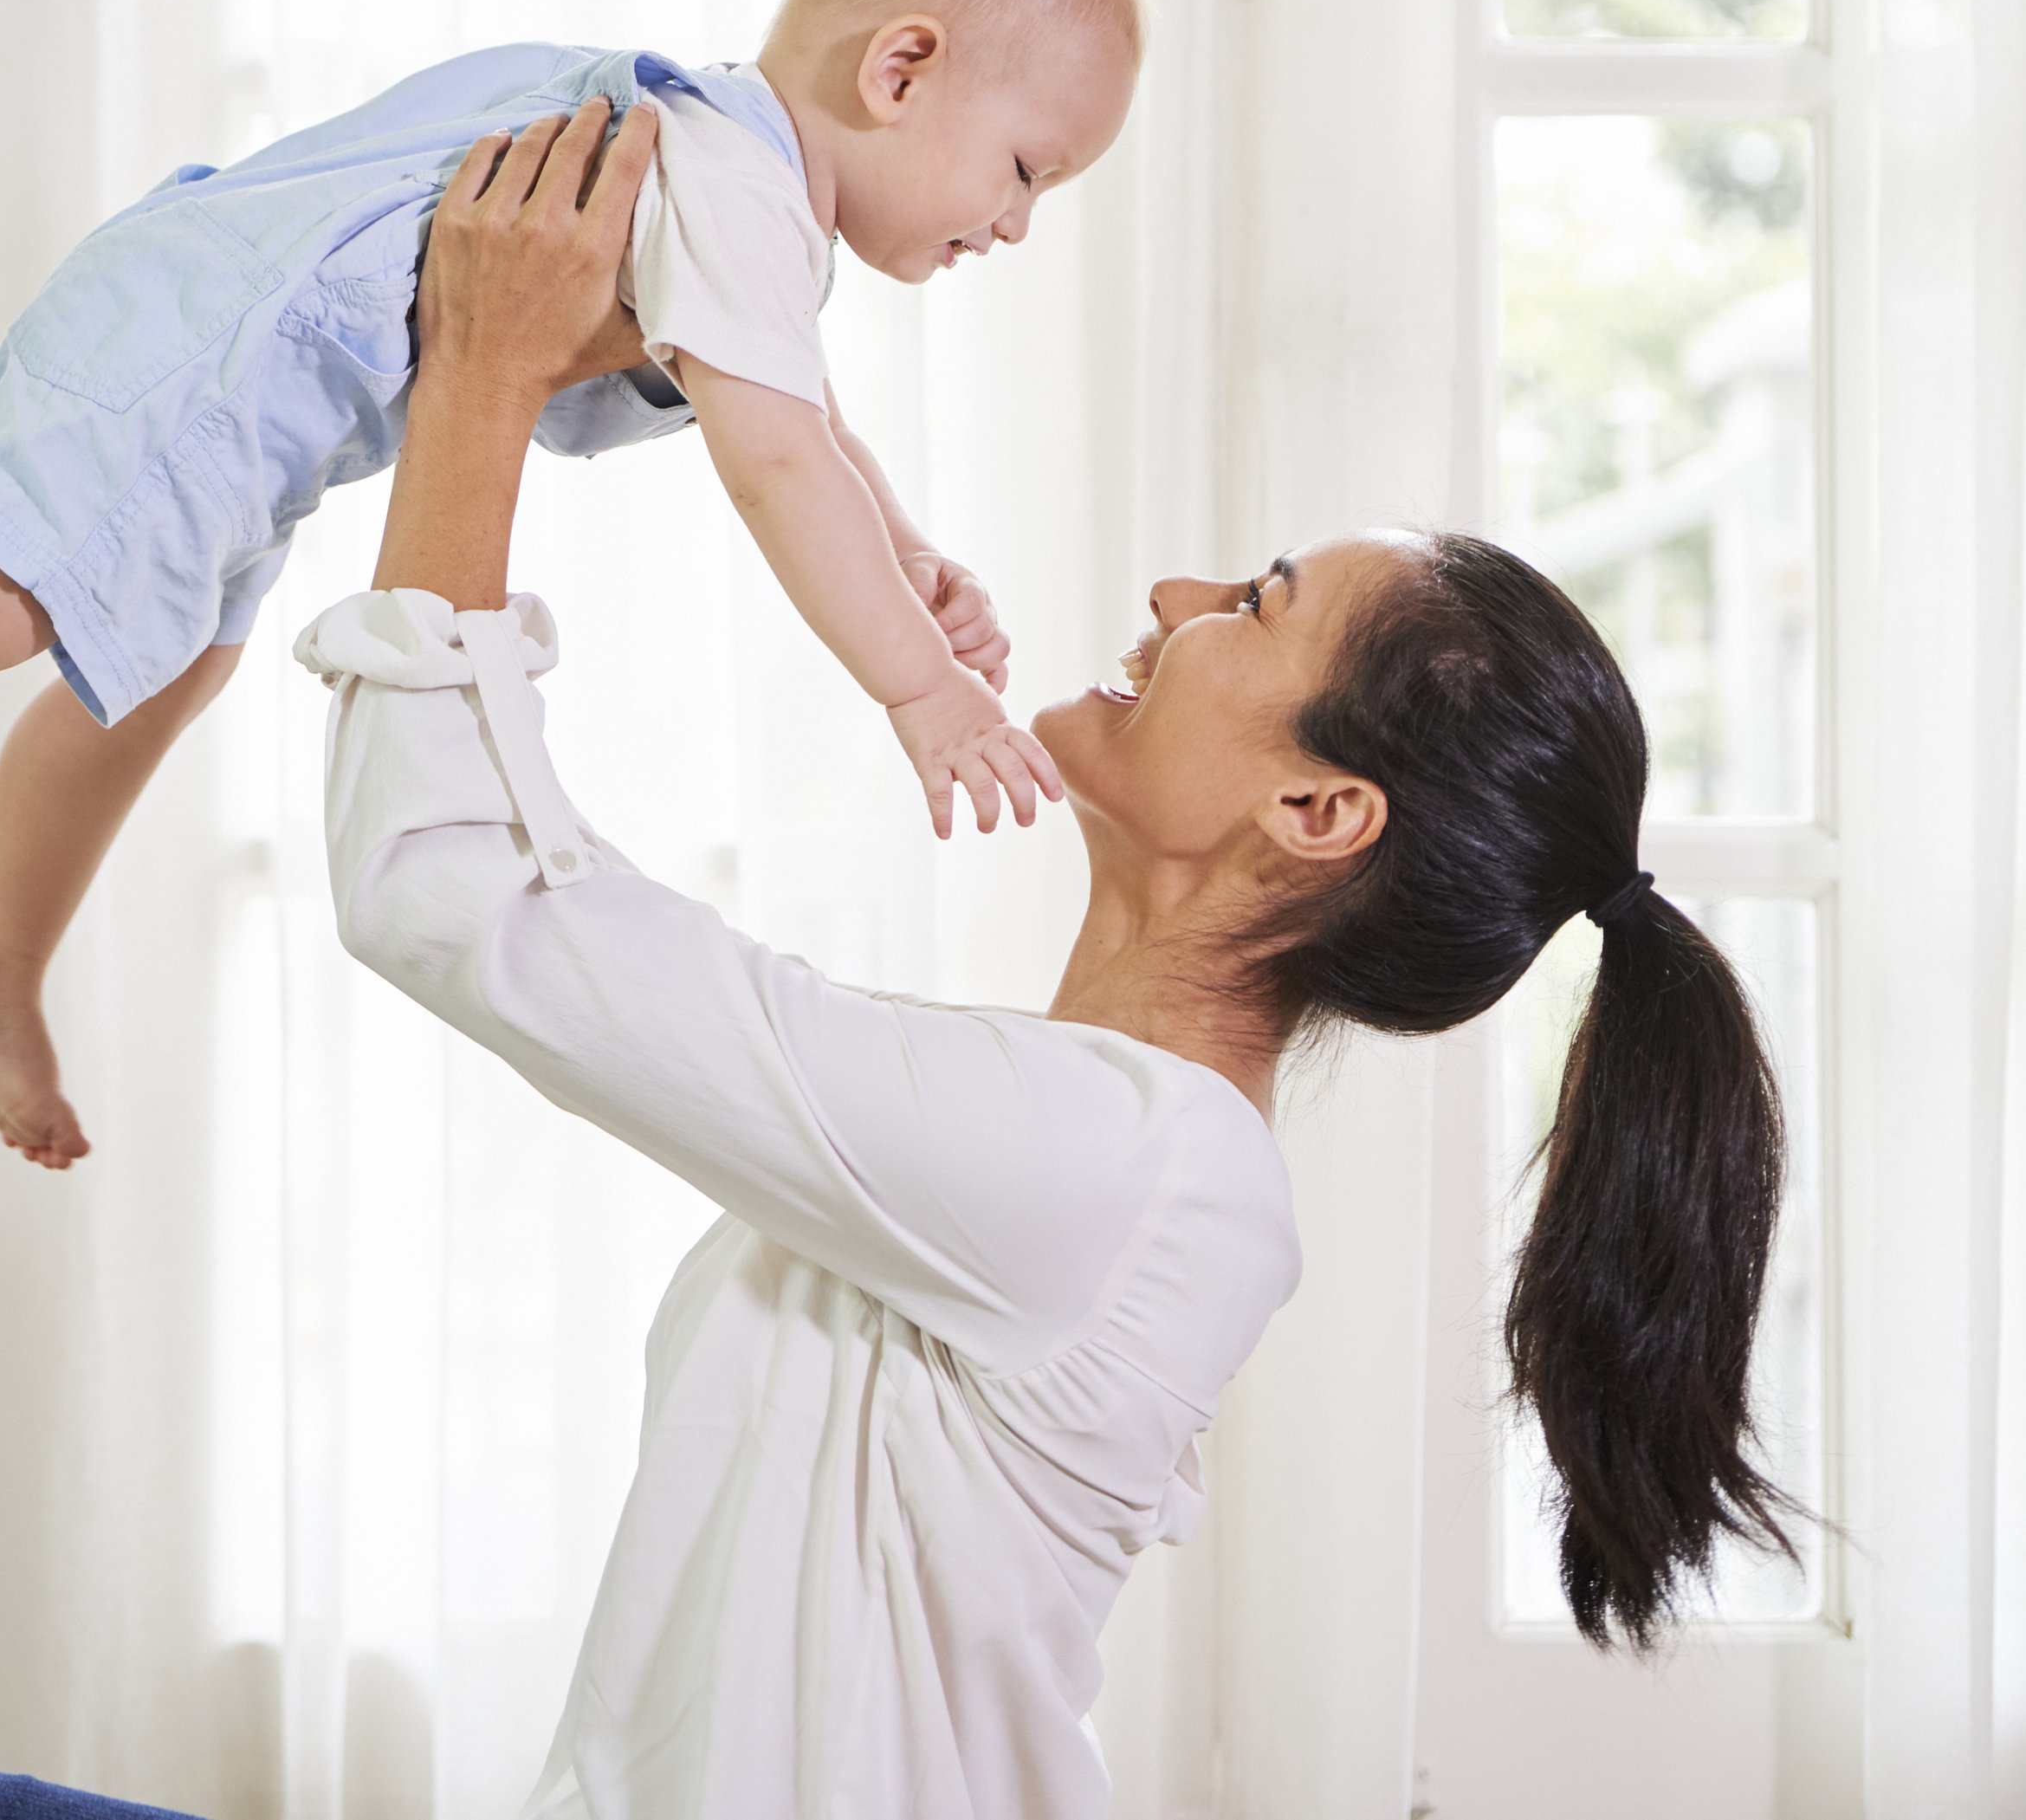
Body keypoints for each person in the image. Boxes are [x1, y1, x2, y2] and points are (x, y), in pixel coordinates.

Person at [291, 92, 1796, 1819]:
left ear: (1315, 811)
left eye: (1252, 603)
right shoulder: (1099, 1141)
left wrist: (478, 383)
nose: (1170, 594)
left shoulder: (1119, 1166)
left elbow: (456, 899)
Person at [0, 0, 1143, 1169]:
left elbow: (807, 427)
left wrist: (910, 553)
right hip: (215, 345)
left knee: (170, 663)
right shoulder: (731, 179)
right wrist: (922, 688)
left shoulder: (733, 175)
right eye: (1026, 170)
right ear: (902, 69)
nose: (1017, 223)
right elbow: (780, 467)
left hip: (239, 365)